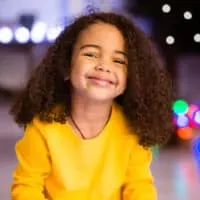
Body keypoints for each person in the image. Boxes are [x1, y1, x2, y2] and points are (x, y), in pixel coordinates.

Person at [10, 11, 173, 200]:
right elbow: (27, 186)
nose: (104, 65)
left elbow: (139, 186)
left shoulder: (132, 128)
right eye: (91, 54)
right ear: (66, 65)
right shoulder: (42, 127)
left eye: (119, 60)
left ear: (132, 78)